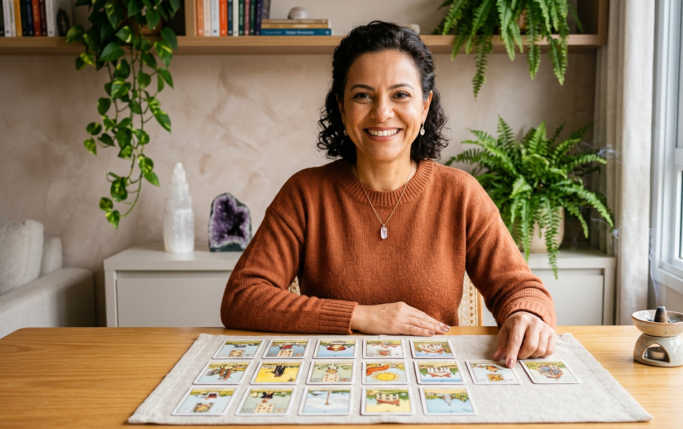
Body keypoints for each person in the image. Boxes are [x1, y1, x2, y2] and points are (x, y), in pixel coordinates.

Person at [221, 21, 557, 367]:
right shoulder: (305, 194)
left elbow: (522, 290)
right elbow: (242, 298)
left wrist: (526, 314)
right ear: (341, 107)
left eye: (400, 95)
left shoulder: (460, 193)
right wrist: (360, 316)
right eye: (363, 95)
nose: (382, 112)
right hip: (331, 379)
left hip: (436, 380)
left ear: (425, 105)